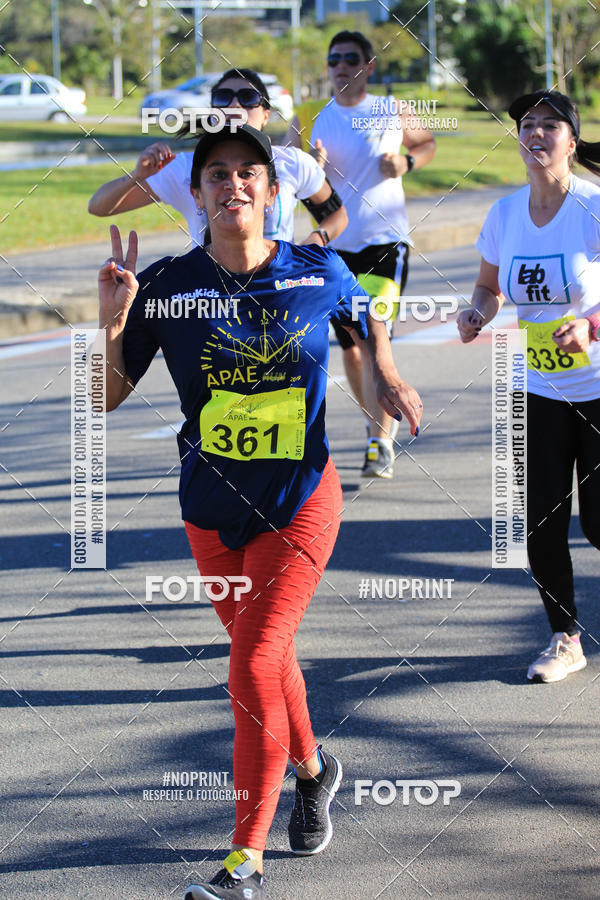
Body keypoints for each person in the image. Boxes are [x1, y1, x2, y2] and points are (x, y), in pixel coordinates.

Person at [99, 123, 423, 898]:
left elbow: (362, 320)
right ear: (200, 191)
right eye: (217, 174)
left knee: (250, 663)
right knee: (268, 659)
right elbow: (104, 398)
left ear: (273, 193)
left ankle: (243, 864)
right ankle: (316, 771)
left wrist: (386, 371)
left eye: (249, 173)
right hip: (210, 511)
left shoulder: (317, 269)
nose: (233, 184)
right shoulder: (171, 289)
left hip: (300, 501)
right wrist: (111, 323)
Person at [457, 90, 600, 683]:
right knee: (539, 519)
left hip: (598, 389)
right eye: (527, 125)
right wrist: (477, 311)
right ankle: (565, 639)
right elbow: (490, 286)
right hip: (537, 386)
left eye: (549, 125)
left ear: (570, 141)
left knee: (598, 522)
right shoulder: (505, 214)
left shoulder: (593, 206)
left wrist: (591, 325)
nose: (536, 134)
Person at [285, 31, 435, 478]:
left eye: (351, 59)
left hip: (386, 241)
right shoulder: (310, 116)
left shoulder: (392, 109)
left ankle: (381, 442)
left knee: (376, 336)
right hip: (335, 249)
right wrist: (310, 162)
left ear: (369, 66)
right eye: (334, 59)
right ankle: (374, 428)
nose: (341, 66)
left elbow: (426, 144)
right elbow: (285, 177)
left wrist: (406, 163)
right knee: (352, 347)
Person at [88, 68, 347, 249]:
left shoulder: (291, 162)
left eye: (248, 98)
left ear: (266, 114)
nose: (234, 106)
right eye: (224, 98)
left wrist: (313, 242)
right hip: (213, 298)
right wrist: (136, 176)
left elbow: (337, 215)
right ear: (213, 113)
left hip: (276, 293)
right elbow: (99, 207)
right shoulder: (185, 167)